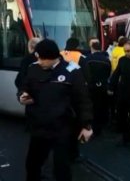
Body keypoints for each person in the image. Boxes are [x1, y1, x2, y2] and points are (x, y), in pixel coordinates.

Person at [18, 39, 93, 181]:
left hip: (62, 128)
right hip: (38, 127)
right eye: (37, 57)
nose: (38, 61)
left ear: (52, 58)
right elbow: (24, 86)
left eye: (41, 59)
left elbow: (83, 100)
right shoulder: (33, 68)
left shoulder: (72, 71)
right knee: (32, 164)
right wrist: (22, 96)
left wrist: (86, 125)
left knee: (61, 168)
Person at [83, 37, 111, 134]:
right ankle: (100, 126)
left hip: (91, 86)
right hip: (103, 86)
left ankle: (92, 126)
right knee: (102, 106)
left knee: (92, 106)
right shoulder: (106, 60)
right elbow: (108, 73)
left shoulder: (87, 59)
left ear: (92, 48)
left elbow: (85, 73)